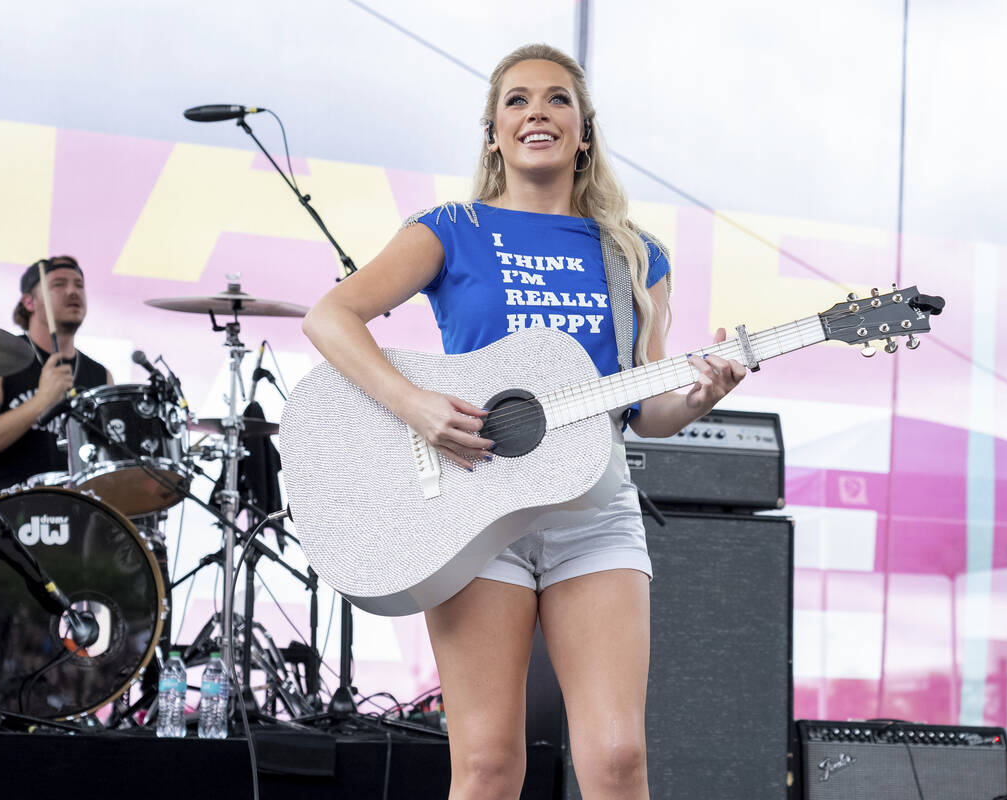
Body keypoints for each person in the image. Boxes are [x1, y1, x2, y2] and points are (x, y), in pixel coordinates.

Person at [302, 44, 746, 799]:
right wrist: (415, 404)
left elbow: (647, 408)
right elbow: (330, 317)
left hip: (595, 511)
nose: (536, 111)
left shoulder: (634, 254)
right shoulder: (451, 227)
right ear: (493, 132)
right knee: (486, 765)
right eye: (516, 100)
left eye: (556, 99)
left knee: (615, 759)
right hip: (473, 510)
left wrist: (703, 394)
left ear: (584, 132)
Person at [0, 256, 113, 498]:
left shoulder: (100, 375)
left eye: (79, 285)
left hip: (79, 515)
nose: (73, 292)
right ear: (29, 302)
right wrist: (41, 402)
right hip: (3, 515)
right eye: (59, 285)